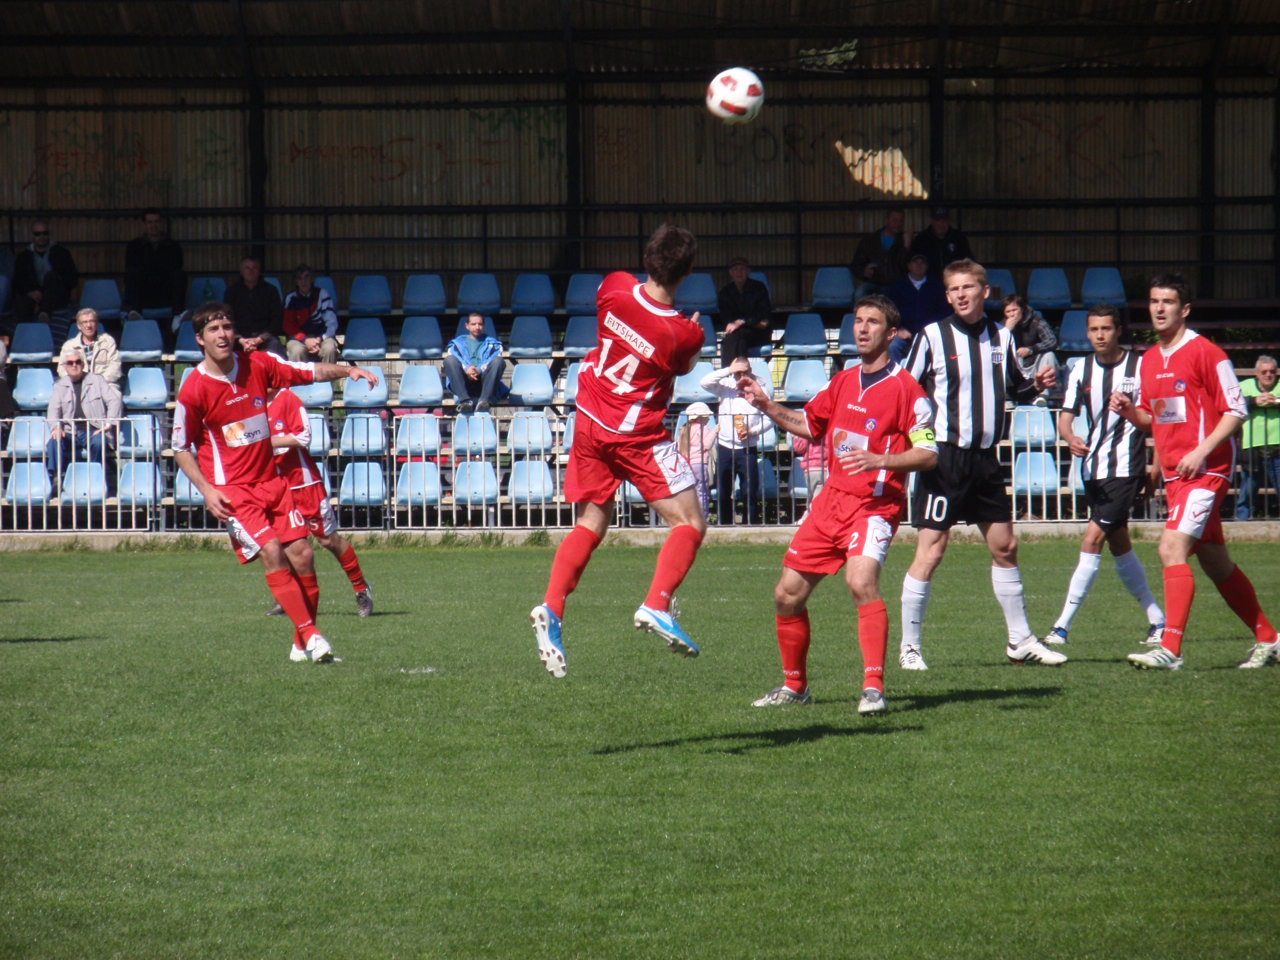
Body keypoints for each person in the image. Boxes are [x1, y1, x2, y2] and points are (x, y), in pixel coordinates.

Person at [738, 294, 938, 714]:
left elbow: (928, 453)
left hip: (875, 506)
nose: (862, 329)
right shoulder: (843, 380)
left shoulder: (907, 391)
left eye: (872, 322)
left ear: (892, 333)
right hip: (831, 502)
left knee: (860, 583)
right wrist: (765, 403)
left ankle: (874, 688)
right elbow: (809, 425)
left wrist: (881, 459)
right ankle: (795, 687)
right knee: (786, 595)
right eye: (858, 321)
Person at [529, 224, 708, 678]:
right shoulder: (682, 334)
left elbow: (628, 319)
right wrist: (692, 330)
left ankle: (553, 607)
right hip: (635, 432)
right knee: (689, 522)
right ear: (687, 273)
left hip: (589, 418)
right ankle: (657, 604)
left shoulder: (613, 287)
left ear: (648, 257)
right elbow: (682, 365)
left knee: (592, 522)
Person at [172, 302, 380, 664]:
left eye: (226, 326)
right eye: (213, 330)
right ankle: (313, 636)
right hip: (234, 491)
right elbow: (180, 448)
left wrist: (348, 369)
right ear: (200, 340)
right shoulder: (193, 390)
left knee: (304, 554)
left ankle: (301, 644)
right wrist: (207, 490)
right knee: (272, 551)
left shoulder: (259, 365)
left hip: (273, 482)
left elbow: (307, 370)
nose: (222, 334)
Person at [900, 259, 1064, 669]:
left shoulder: (999, 336)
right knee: (932, 550)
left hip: (986, 460)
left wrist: (1035, 385)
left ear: (984, 292)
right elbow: (905, 392)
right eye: (953, 288)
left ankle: (1020, 640)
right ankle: (910, 646)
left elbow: (1016, 388)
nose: (960, 295)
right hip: (945, 459)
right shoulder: (932, 337)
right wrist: (922, 443)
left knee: (1005, 547)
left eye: (968, 287)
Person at [1110, 274, 1277, 670]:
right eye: (1154, 301)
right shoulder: (1150, 359)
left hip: (1208, 471)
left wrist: (1202, 452)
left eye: (1168, 301)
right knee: (1216, 563)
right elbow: (1157, 418)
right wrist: (1130, 413)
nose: (1159, 308)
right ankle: (1270, 639)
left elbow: (1236, 410)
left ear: (1184, 310)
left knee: (1171, 549)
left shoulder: (1208, 353)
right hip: (1174, 476)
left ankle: (1171, 648)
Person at [1044, 303, 1165, 646]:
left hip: (1126, 469)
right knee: (1120, 545)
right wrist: (1070, 438)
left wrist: (1155, 465)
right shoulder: (1080, 368)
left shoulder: (1140, 368)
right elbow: (1066, 416)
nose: (1099, 335)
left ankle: (1061, 626)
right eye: (1094, 329)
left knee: (1091, 540)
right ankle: (1158, 619)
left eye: (1106, 329)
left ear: (1118, 330)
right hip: (1093, 469)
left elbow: (1157, 420)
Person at [264, 386, 374, 617]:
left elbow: (304, 436)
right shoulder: (249, 403)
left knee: (327, 540)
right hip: (274, 485)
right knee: (283, 543)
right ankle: (289, 596)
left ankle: (361, 588)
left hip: (303, 484)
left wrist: (266, 442)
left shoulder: (288, 399)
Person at [701, 358, 771, 524]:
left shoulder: (760, 389)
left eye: (744, 371)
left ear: (750, 371)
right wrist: (728, 369)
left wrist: (753, 431)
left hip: (748, 448)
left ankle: (751, 525)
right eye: (738, 372)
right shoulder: (725, 385)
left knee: (749, 491)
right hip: (725, 446)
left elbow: (769, 419)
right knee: (723, 491)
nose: (741, 375)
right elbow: (704, 382)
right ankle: (724, 525)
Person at [45, 346, 123, 497]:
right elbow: (53, 410)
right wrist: (56, 426)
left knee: (99, 442)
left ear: (83, 364)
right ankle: (57, 477)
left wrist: (108, 423)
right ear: (65, 366)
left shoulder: (97, 380)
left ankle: (95, 477)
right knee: (53, 442)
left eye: (77, 362)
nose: (74, 365)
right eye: (70, 363)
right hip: (69, 432)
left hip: (93, 429)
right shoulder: (59, 386)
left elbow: (114, 401)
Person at [13, 220, 79, 338]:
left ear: (49, 234)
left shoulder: (62, 253)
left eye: (45, 233)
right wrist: (30, 292)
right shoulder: (24, 257)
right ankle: (24, 339)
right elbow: (18, 281)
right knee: (22, 305)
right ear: (32, 236)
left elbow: (72, 279)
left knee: (51, 277)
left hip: (57, 295)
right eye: (38, 234)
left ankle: (44, 312)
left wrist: (57, 282)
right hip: (33, 296)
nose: (42, 237)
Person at [1234, 354, 1279, 520]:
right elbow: (1231, 403)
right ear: (1257, 374)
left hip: (1277, 446)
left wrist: (1276, 402)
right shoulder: (1244, 386)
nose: (1268, 375)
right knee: (1248, 488)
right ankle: (1242, 521)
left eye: (1272, 372)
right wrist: (1254, 401)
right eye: (1264, 372)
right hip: (1251, 446)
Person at [885, 252, 950, 363]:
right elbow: (888, 311)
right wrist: (899, 329)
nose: (919, 265)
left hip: (931, 334)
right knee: (893, 346)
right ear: (909, 266)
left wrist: (933, 330)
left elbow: (945, 312)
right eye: (915, 262)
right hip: (905, 335)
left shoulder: (937, 286)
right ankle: (895, 378)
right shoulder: (897, 286)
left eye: (922, 263)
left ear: (927, 266)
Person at [123, 209, 185, 321]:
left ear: (161, 223)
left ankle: (177, 315)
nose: (153, 225)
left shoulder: (173, 246)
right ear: (144, 225)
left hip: (165, 291)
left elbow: (176, 267)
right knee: (132, 274)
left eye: (156, 222)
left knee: (179, 275)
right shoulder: (134, 246)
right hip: (144, 292)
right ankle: (135, 313)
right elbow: (132, 268)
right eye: (149, 222)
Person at [443, 312, 506, 413]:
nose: (477, 327)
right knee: (449, 360)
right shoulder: (457, 343)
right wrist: (467, 369)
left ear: (484, 326)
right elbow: (455, 357)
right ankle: (465, 402)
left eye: (480, 324)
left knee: (499, 361)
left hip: (485, 382)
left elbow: (496, 357)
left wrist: (479, 370)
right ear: (467, 326)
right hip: (464, 382)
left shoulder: (493, 344)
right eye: (473, 324)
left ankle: (484, 402)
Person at [224, 256, 285, 358]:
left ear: (259, 271)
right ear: (241, 271)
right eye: (247, 268)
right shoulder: (232, 292)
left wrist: (260, 339)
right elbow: (227, 318)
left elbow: (277, 319)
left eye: (254, 268)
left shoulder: (271, 290)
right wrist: (240, 339)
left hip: (264, 338)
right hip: (239, 338)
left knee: (275, 348)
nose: (251, 271)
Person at [1001, 294, 1059, 402]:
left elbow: (1052, 341)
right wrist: (1006, 331)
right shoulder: (1002, 327)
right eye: (1008, 312)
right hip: (1015, 369)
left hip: (1034, 365)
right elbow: (996, 347)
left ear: (1022, 309)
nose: (1012, 314)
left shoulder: (1036, 321)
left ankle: (1043, 396)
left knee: (1049, 355)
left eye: (1014, 310)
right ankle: (1007, 397)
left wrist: (1031, 349)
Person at [716, 256, 773, 364]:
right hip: (739, 334)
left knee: (733, 337)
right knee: (738, 339)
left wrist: (741, 322)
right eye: (735, 270)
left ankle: (728, 373)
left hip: (759, 334)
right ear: (730, 273)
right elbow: (727, 321)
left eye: (742, 269)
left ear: (748, 272)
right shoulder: (725, 292)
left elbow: (763, 319)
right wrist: (749, 322)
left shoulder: (759, 288)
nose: (739, 272)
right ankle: (739, 374)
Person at [281, 264, 339, 364]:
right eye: (300, 278)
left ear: (312, 279)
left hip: (321, 337)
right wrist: (305, 340)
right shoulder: (290, 298)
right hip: (299, 339)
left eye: (307, 277)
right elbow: (288, 326)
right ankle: (298, 380)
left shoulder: (323, 294)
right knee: (296, 351)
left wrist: (319, 339)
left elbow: (332, 323)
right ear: (296, 281)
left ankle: (326, 379)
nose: (303, 281)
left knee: (330, 348)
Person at [850, 207, 912, 299]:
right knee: (860, 292)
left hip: (896, 285)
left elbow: (908, 267)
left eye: (901, 221)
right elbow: (855, 265)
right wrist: (864, 271)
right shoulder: (870, 240)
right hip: (874, 284)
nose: (898, 224)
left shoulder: (906, 241)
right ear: (886, 221)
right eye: (894, 220)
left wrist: (907, 246)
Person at [58, 308, 121, 386]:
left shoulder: (108, 342)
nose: (88, 325)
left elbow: (115, 366)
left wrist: (98, 382)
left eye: (92, 321)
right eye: (85, 322)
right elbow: (62, 369)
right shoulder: (69, 346)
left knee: (113, 396)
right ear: (79, 325)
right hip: (78, 385)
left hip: (105, 384)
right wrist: (78, 381)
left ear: (97, 324)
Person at [909, 207, 973, 279]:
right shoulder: (921, 239)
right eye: (938, 220)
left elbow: (969, 262)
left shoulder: (958, 238)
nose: (941, 224)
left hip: (954, 281)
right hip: (929, 284)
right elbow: (914, 265)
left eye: (944, 220)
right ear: (932, 221)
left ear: (949, 221)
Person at [677, 401, 716, 518]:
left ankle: (690, 516)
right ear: (700, 418)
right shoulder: (703, 428)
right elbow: (707, 445)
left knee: (690, 492)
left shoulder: (684, 429)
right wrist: (715, 432)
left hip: (687, 464)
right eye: (707, 417)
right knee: (702, 491)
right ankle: (703, 516)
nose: (709, 419)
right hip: (700, 464)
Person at [789, 434, 828, 500]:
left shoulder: (808, 428)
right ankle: (811, 509)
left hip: (810, 468)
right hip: (826, 467)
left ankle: (810, 508)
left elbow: (799, 448)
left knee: (814, 497)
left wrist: (796, 437)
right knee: (819, 498)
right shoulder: (830, 427)